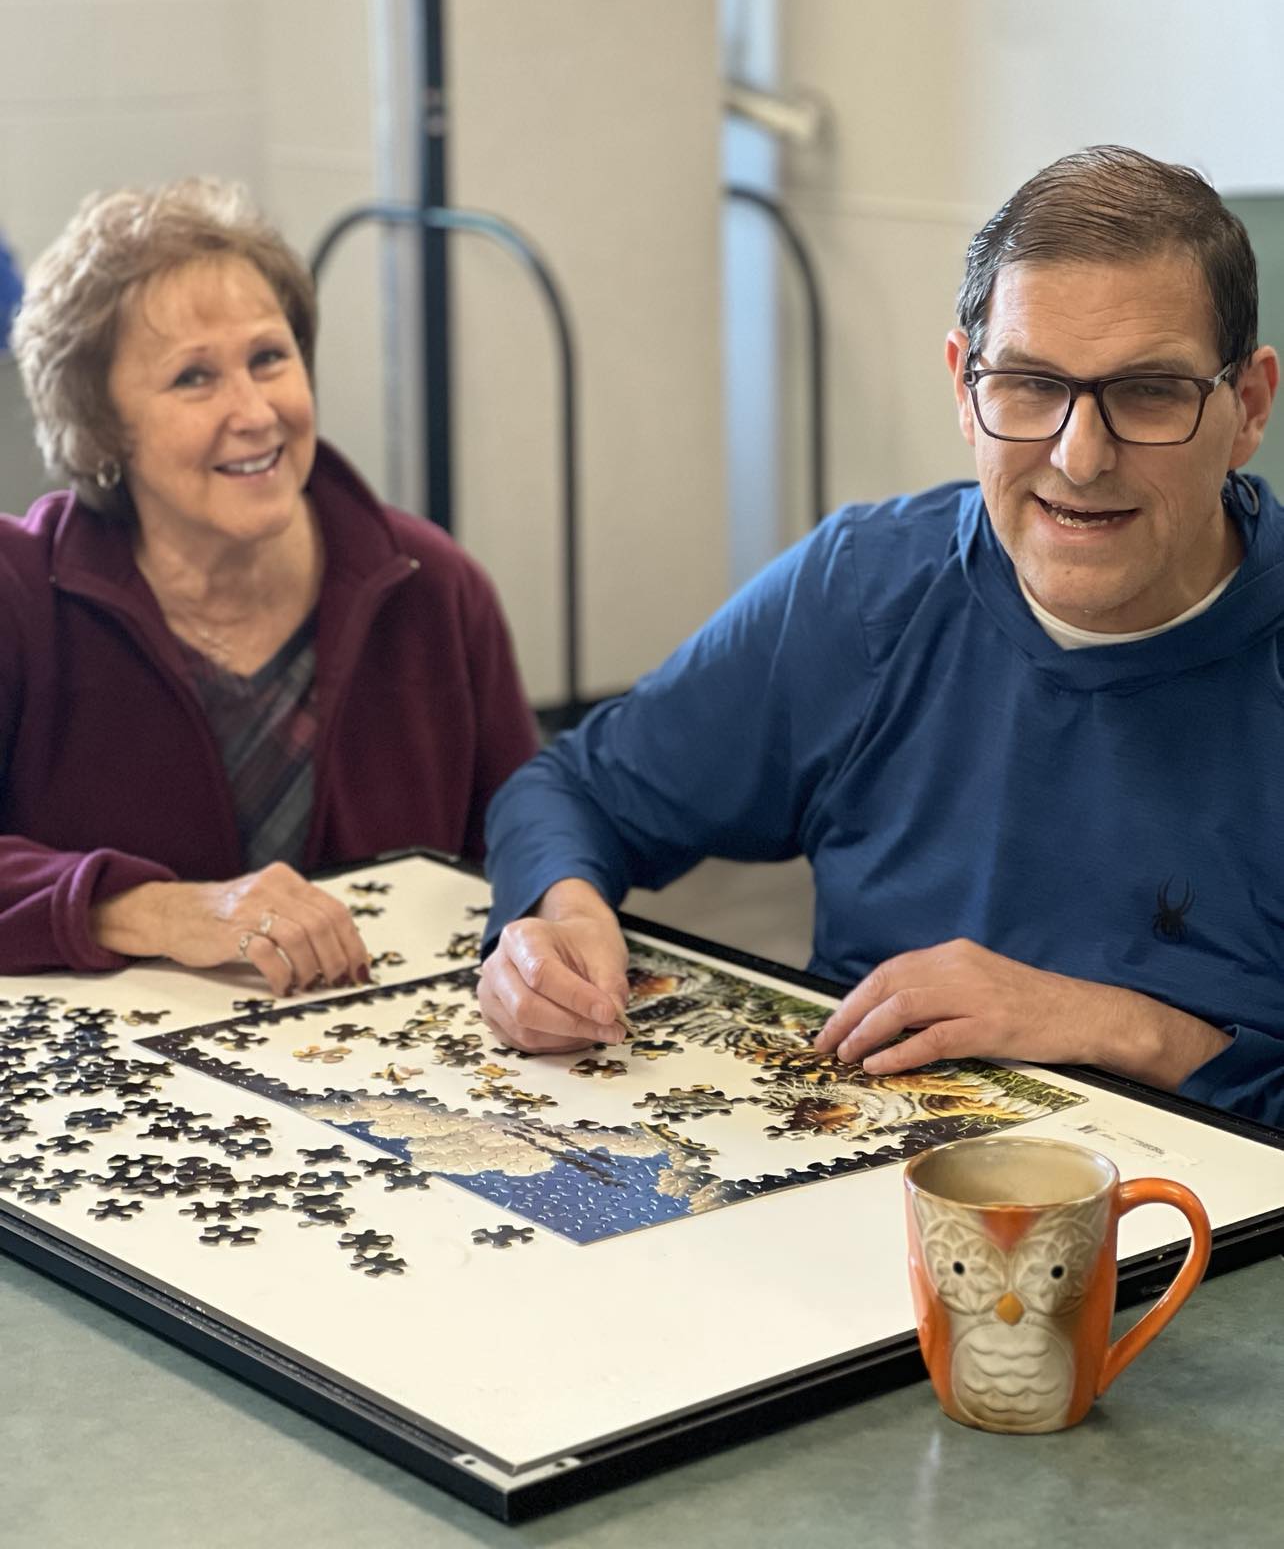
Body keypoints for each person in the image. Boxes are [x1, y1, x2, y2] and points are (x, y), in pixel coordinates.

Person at [478, 145, 1284, 1126]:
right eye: (1028, 383)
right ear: (962, 384)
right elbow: (573, 790)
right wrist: (556, 915)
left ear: (1246, 407)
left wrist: (1125, 1028)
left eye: (1148, 391)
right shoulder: (864, 590)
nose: (1080, 456)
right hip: (859, 1215)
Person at [4, 179, 537, 991]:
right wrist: (150, 908)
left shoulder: (434, 587)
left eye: (269, 358)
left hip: (400, 1074)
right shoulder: (19, 595)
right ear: (103, 426)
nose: (254, 412)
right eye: (194, 378)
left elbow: (529, 845)